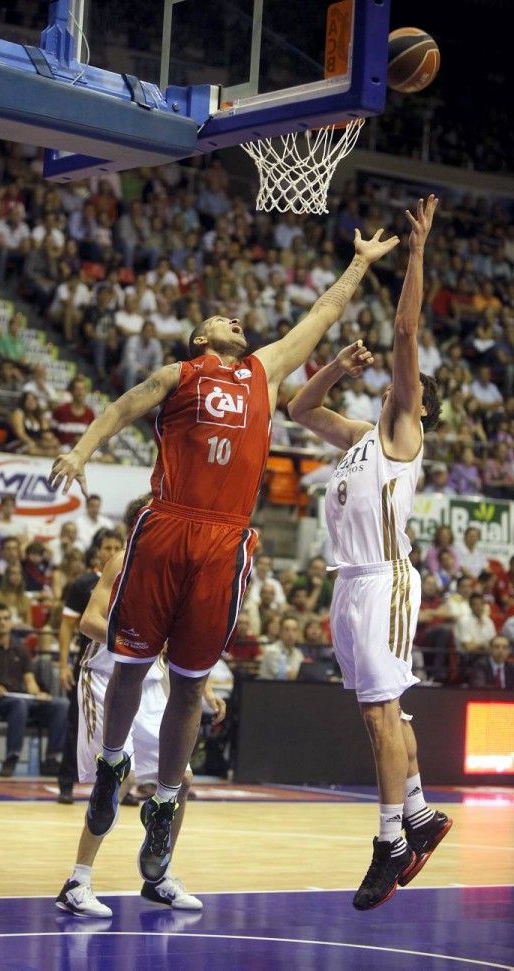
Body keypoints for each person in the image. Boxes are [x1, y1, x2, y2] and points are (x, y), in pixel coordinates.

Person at [49, 222, 399, 886]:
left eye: (238, 318)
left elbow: (321, 315)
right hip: (168, 523)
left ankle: (165, 800)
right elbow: (122, 407)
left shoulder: (262, 371)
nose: (236, 319)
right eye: (223, 318)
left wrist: (358, 265)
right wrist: (81, 449)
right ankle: (114, 764)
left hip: (225, 539)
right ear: (203, 337)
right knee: (128, 665)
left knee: (186, 685)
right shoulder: (178, 373)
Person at [288, 196, 452, 911]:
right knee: (378, 714)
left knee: (384, 715)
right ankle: (418, 813)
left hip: (385, 581)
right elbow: (298, 409)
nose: (391, 379)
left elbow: (407, 329)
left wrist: (416, 253)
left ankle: (391, 841)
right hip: (350, 585)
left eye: (399, 381)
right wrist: (334, 368)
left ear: (417, 403)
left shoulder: (402, 431)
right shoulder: (362, 432)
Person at [56, 507, 225, 917]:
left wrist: (207, 689)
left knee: (180, 780)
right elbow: (88, 622)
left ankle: (159, 877)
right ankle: (77, 881)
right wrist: (139, 641)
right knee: (120, 775)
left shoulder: (182, 568)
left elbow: (182, 646)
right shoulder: (123, 559)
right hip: (105, 678)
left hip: (152, 685)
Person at [56, 530, 126, 804]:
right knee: (76, 724)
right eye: (106, 547)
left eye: (115, 547)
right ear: (97, 551)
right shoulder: (82, 584)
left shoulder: (130, 580)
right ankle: (65, 783)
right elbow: (66, 626)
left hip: (121, 663)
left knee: (122, 724)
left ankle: (124, 784)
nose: (111, 552)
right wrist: (63, 665)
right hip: (89, 664)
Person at [0, 603, 69, 778]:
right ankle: (11, 757)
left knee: (61, 704)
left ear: (11, 622)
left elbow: (30, 681)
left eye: (6, 619)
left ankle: (52, 758)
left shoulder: (21, 650)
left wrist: (38, 693)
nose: (2, 623)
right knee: (18, 704)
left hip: (19, 697)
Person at [258, 614, 304, 681]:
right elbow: (286, 675)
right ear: (280, 632)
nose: (290, 634)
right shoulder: (272, 651)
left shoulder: (298, 653)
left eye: (294, 630)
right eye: (286, 630)